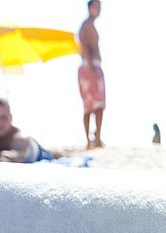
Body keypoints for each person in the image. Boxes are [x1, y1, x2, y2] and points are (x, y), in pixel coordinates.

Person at [78, 0, 105, 149]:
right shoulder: (86, 26)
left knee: (98, 105)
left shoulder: (90, 25)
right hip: (89, 67)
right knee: (90, 106)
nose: (99, 10)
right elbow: (85, 47)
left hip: (93, 66)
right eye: (96, 7)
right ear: (89, 8)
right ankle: (90, 140)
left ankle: (97, 138)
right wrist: (90, 67)